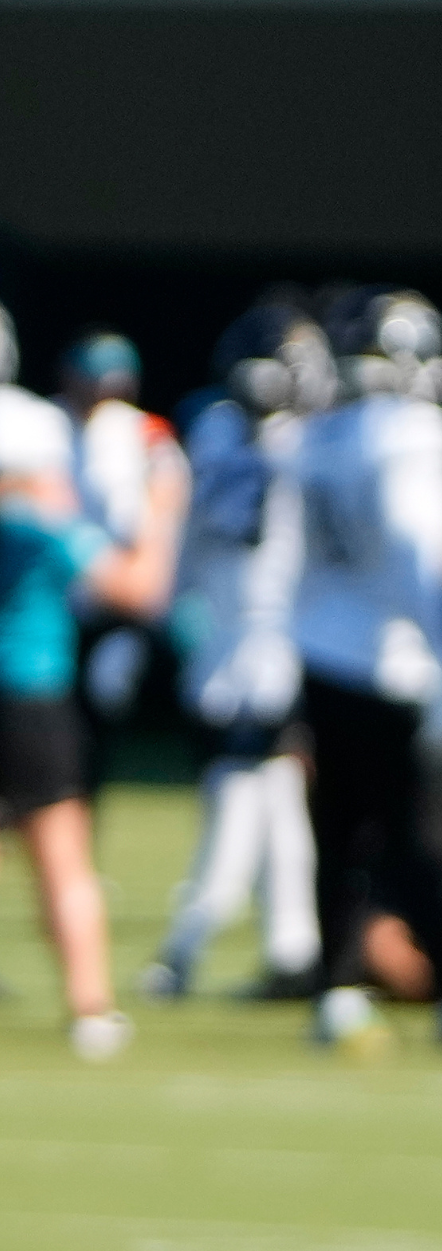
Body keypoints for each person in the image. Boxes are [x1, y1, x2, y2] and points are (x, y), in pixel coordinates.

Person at [0, 285, 187, 1061]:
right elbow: (139, 589)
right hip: (28, 693)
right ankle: (89, 1005)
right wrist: (163, 505)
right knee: (61, 855)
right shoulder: (44, 528)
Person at [141, 303, 328, 1000]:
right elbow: (192, 541)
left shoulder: (281, 439)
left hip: (269, 641)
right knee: (264, 794)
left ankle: (207, 943)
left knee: (255, 792)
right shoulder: (237, 434)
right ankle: (286, 948)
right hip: (241, 640)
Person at [291, 285, 442, 1051]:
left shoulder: (319, 435)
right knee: (414, 839)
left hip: (323, 654)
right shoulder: (410, 435)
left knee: (341, 837)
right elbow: (422, 553)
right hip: (398, 661)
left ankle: (338, 986)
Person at [56, 332, 188, 742]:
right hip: (61, 594)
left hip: (117, 596)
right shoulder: (50, 424)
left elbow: (160, 515)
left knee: (100, 705)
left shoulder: (144, 436)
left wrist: (147, 585)